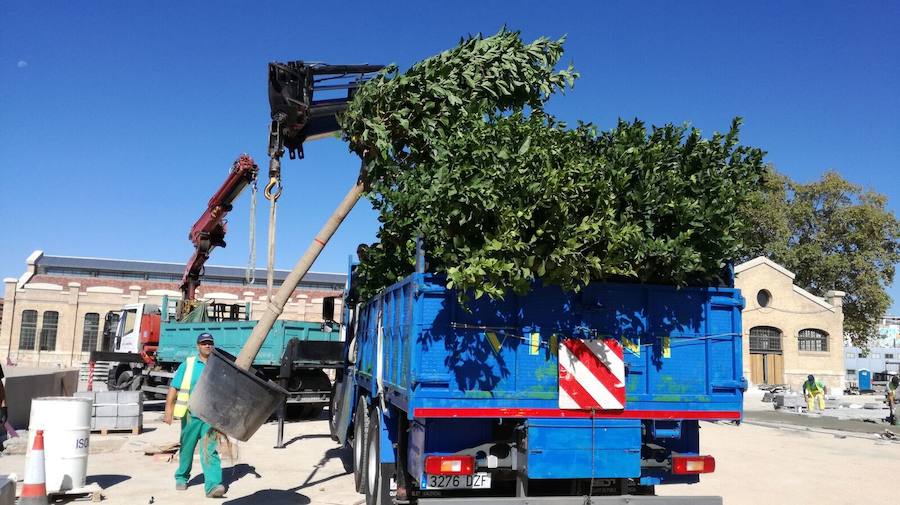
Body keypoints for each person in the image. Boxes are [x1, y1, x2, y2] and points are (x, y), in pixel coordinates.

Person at [164, 333, 224, 498]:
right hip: (190, 415)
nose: (207, 346)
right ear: (198, 345)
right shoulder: (188, 364)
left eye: (210, 343)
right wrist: (168, 410)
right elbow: (174, 387)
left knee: (209, 450)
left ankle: (213, 486)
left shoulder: (218, 365)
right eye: (204, 343)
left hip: (210, 416)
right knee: (187, 448)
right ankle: (182, 476)